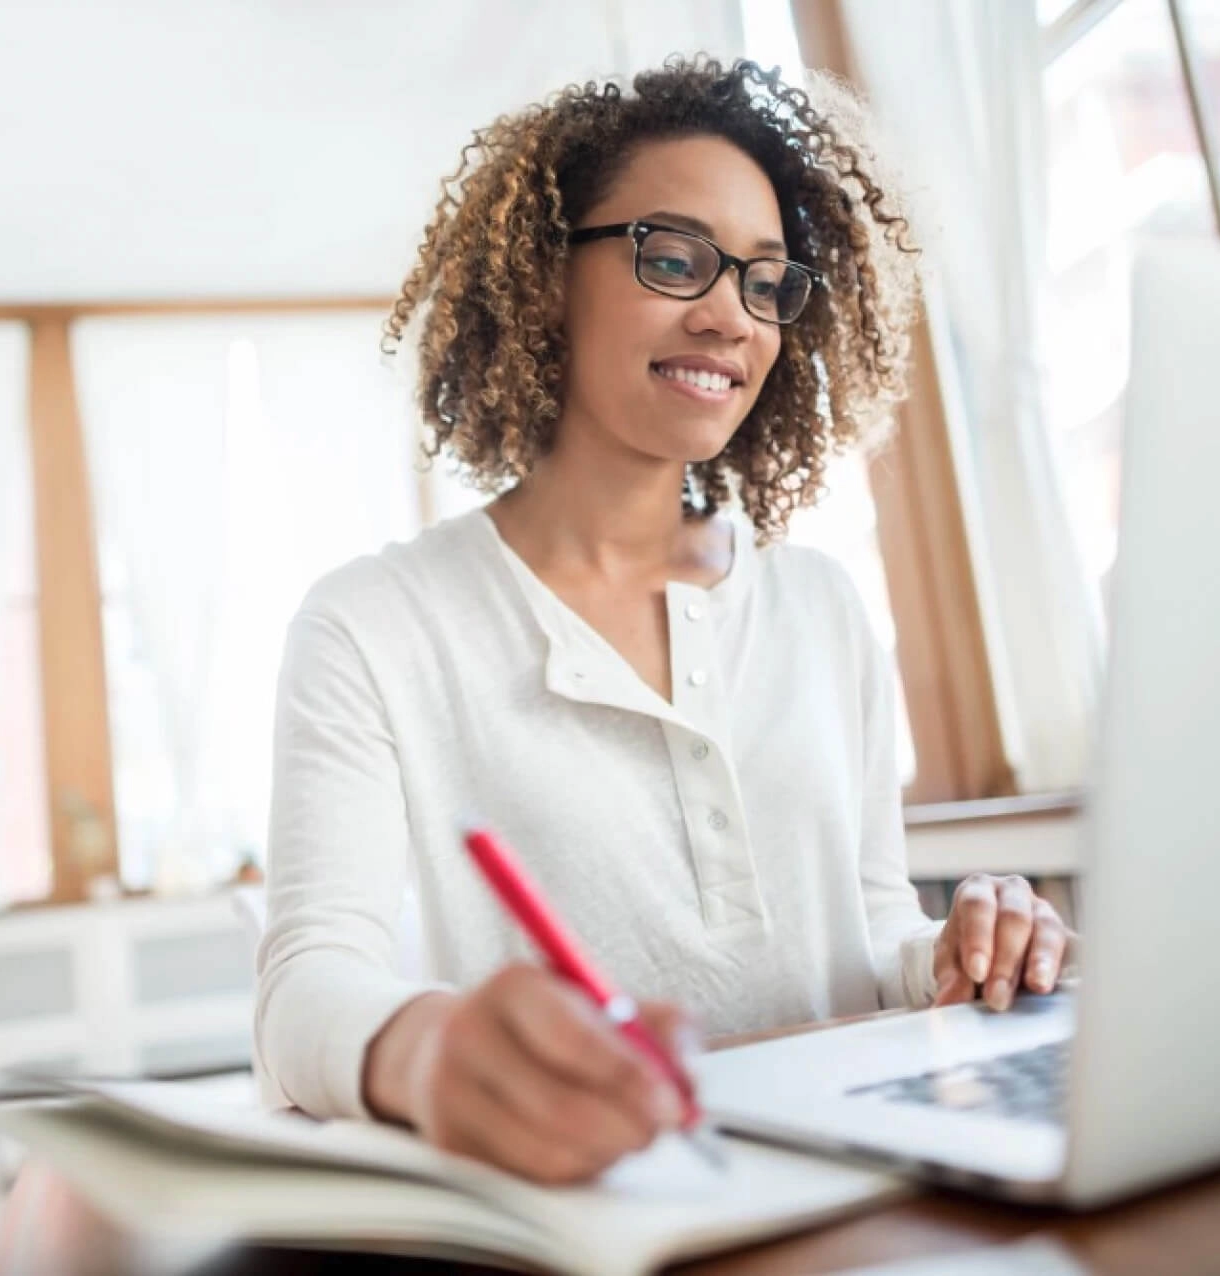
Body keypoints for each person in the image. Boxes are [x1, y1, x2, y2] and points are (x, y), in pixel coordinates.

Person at [254, 56, 1073, 1184]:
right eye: (675, 257)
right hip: (611, 1197)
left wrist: (958, 947)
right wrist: (428, 1049)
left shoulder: (820, 606)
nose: (729, 315)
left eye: (768, 282)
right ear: (547, 278)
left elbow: (871, 926)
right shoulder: (375, 625)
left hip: (867, 1177)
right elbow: (306, 985)